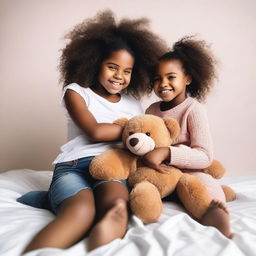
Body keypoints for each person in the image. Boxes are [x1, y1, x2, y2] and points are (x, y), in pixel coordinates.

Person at [17, 10, 167, 253]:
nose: (119, 75)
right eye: (112, 67)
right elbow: (95, 131)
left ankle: (52, 201)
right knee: (81, 212)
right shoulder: (76, 92)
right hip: (73, 167)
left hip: (113, 167)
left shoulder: (133, 104)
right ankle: (52, 204)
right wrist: (133, 132)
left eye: (127, 71)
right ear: (95, 62)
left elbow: (146, 141)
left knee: (117, 207)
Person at [143, 36, 232, 238]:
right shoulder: (151, 109)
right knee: (143, 186)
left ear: (188, 78)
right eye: (157, 78)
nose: (163, 83)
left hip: (190, 172)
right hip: (162, 173)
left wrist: (167, 151)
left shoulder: (193, 109)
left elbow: (204, 156)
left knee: (201, 186)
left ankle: (213, 212)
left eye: (170, 77)